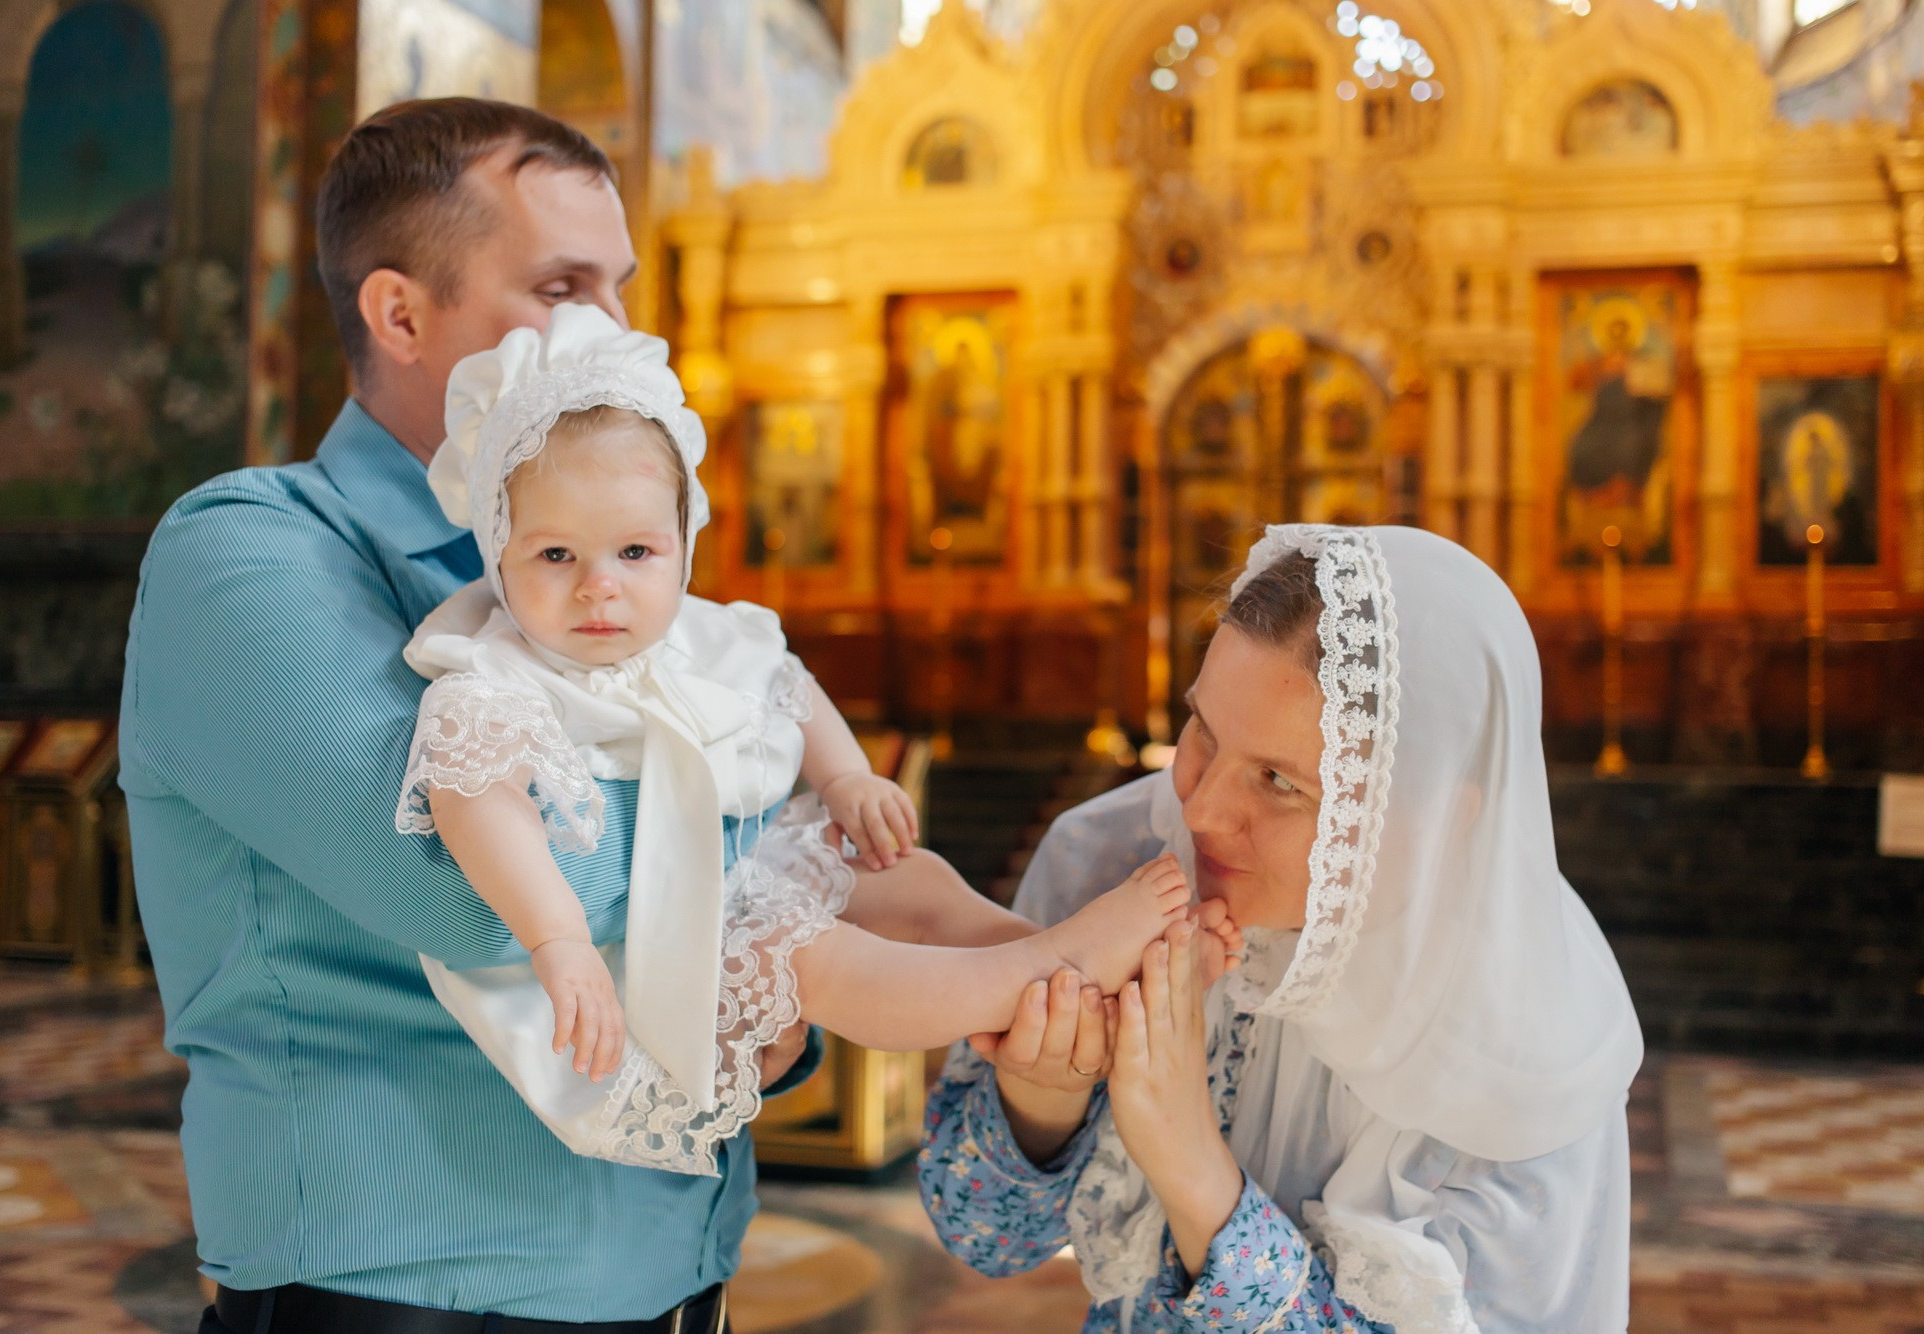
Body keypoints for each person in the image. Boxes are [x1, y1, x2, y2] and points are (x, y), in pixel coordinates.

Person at [120, 99, 804, 1332]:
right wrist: (764, 805)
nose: (618, 331)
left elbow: (765, 846)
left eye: (622, 289)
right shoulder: (246, 553)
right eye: (563, 285)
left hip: (671, 1264)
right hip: (397, 1287)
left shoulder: (613, 571)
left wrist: (777, 987)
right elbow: (466, 887)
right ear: (399, 314)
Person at [393, 303, 1232, 1174]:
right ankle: (1044, 972)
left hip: (741, 867)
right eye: (556, 556)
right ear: (498, 554)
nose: (599, 588)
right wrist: (557, 939)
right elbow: (475, 803)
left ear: (684, 545)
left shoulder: (704, 635)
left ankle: (1064, 973)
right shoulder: (494, 677)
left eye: (634, 553)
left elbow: (786, 688)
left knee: (904, 877)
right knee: (817, 959)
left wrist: (844, 781)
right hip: (638, 950)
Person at [917, 524, 1642, 1332]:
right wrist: (1041, 1096)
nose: (1199, 811)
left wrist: (1193, 1167)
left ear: (1440, 817)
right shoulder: (1114, 866)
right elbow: (980, 1234)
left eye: (1277, 781)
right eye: (1202, 734)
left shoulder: (1534, 1033)